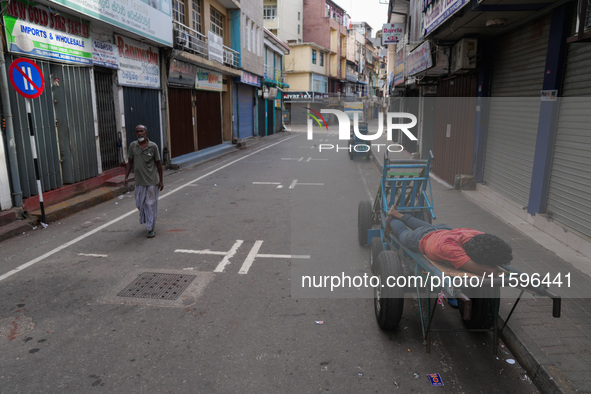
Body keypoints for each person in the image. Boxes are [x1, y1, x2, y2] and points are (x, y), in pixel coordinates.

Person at [387, 206, 512, 275]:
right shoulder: (451, 251)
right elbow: (491, 271)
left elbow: (493, 247)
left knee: (426, 227)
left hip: (443, 230)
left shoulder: (478, 235)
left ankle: (397, 214)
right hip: (420, 238)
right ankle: (392, 219)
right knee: (402, 232)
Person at [124, 125, 164, 238]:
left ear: (146, 132)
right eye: (137, 132)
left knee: (150, 205)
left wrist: (161, 180)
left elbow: (159, 165)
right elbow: (130, 162)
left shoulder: (153, 146)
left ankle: (150, 229)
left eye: (141, 131)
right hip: (139, 182)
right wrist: (126, 177)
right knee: (140, 204)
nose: (139, 133)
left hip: (152, 182)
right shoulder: (133, 146)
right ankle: (149, 219)